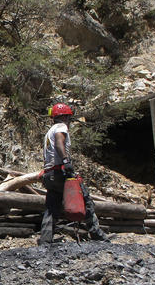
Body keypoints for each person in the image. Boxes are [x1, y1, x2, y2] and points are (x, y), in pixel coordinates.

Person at [39, 103, 108, 245]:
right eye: (68, 117)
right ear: (64, 117)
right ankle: (96, 234)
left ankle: (45, 240)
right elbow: (59, 143)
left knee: (52, 207)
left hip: (49, 174)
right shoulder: (60, 127)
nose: (69, 121)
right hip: (60, 172)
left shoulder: (49, 131)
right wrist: (66, 162)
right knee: (85, 200)